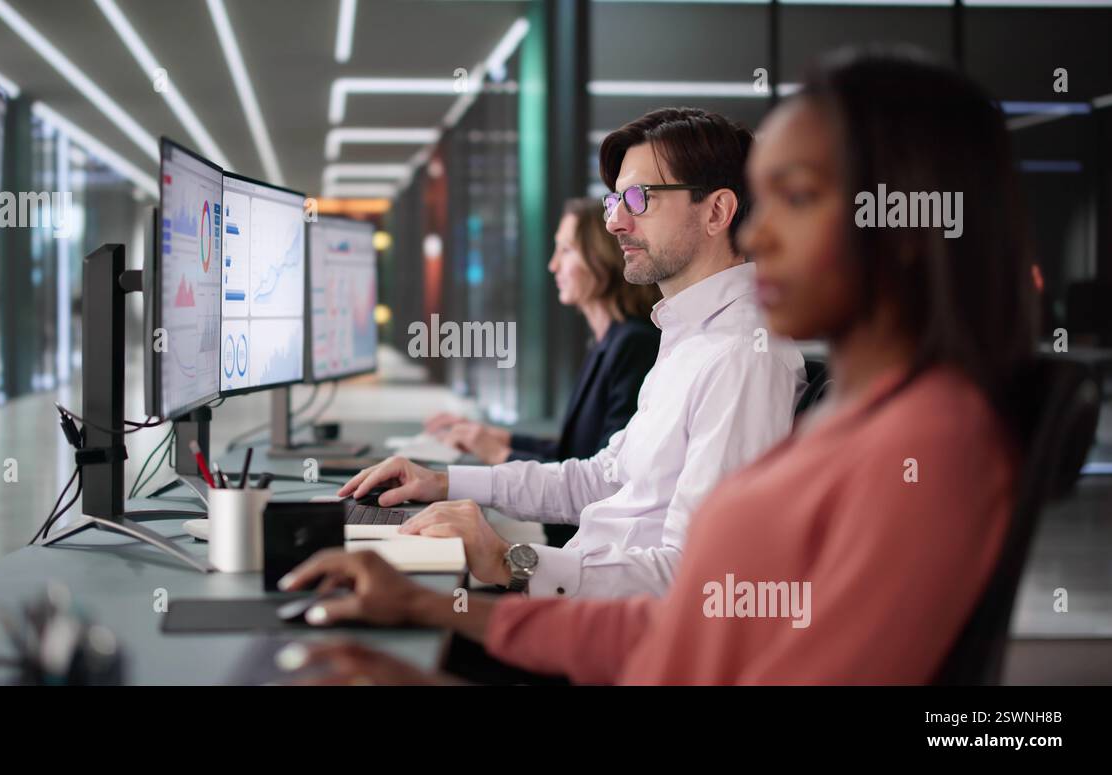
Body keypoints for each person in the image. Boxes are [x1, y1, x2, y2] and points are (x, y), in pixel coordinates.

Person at [278, 46, 1037, 685]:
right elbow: (676, 625)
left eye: (795, 198)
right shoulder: (839, 409)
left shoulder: (920, 447)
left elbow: (686, 622)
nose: (762, 233)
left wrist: (502, 572)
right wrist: (436, 607)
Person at [338, 108, 806, 600]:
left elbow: (699, 577)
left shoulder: (741, 356)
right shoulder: (689, 336)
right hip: (576, 602)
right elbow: (600, 478)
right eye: (614, 201)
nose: (615, 222)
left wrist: (506, 560)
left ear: (716, 212)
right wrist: (443, 481)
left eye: (638, 199)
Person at [426, 198, 661, 547]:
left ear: (603, 258)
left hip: (591, 555)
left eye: (566, 250)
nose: (553, 265)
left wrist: (498, 455)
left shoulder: (634, 345)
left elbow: (604, 478)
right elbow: (578, 453)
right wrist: (502, 438)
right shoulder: (607, 342)